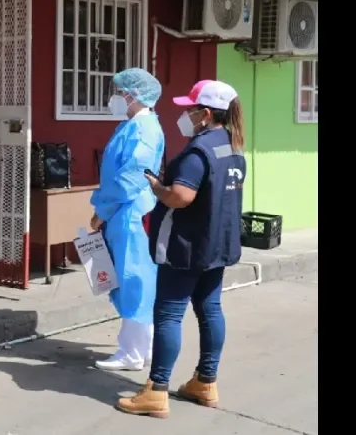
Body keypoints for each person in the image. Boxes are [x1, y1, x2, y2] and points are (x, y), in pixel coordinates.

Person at [117, 80, 246, 418]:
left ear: (205, 114)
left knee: (169, 314)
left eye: (189, 109)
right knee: (210, 309)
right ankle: (206, 381)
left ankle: (156, 390)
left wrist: (158, 186)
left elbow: (181, 197)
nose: (183, 114)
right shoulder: (231, 146)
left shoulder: (197, 152)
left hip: (187, 247)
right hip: (217, 244)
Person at [90, 68, 166, 372]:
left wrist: (102, 211)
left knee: (134, 279)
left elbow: (131, 176)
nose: (114, 98)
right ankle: (139, 347)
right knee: (130, 278)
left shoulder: (144, 128)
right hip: (124, 213)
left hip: (130, 212)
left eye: (120, 92)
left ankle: (132, 353)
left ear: (133, 96)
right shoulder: (132, 125)